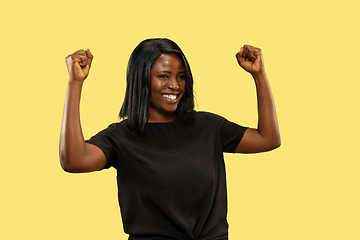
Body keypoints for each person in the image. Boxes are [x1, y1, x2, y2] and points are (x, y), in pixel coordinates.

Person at [60, 38, 280, 240]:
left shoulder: (209, 126)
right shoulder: (121, 137)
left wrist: (259, 75)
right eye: (164, 76)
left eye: (181, 76)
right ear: (142, 79)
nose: (175, 85)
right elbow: (74, 161)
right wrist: (75, 83)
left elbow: (268, 138)